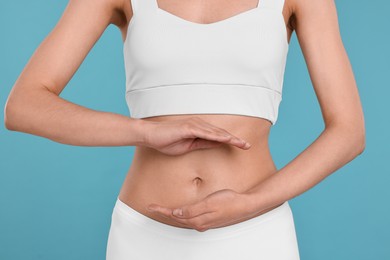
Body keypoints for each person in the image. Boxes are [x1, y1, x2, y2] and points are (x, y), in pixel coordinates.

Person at [4, 0, 365, 259]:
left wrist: (251, 203)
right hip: (143, 234)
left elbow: (348, 131)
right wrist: (144, 132)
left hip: (256, 230)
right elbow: (24, 107)